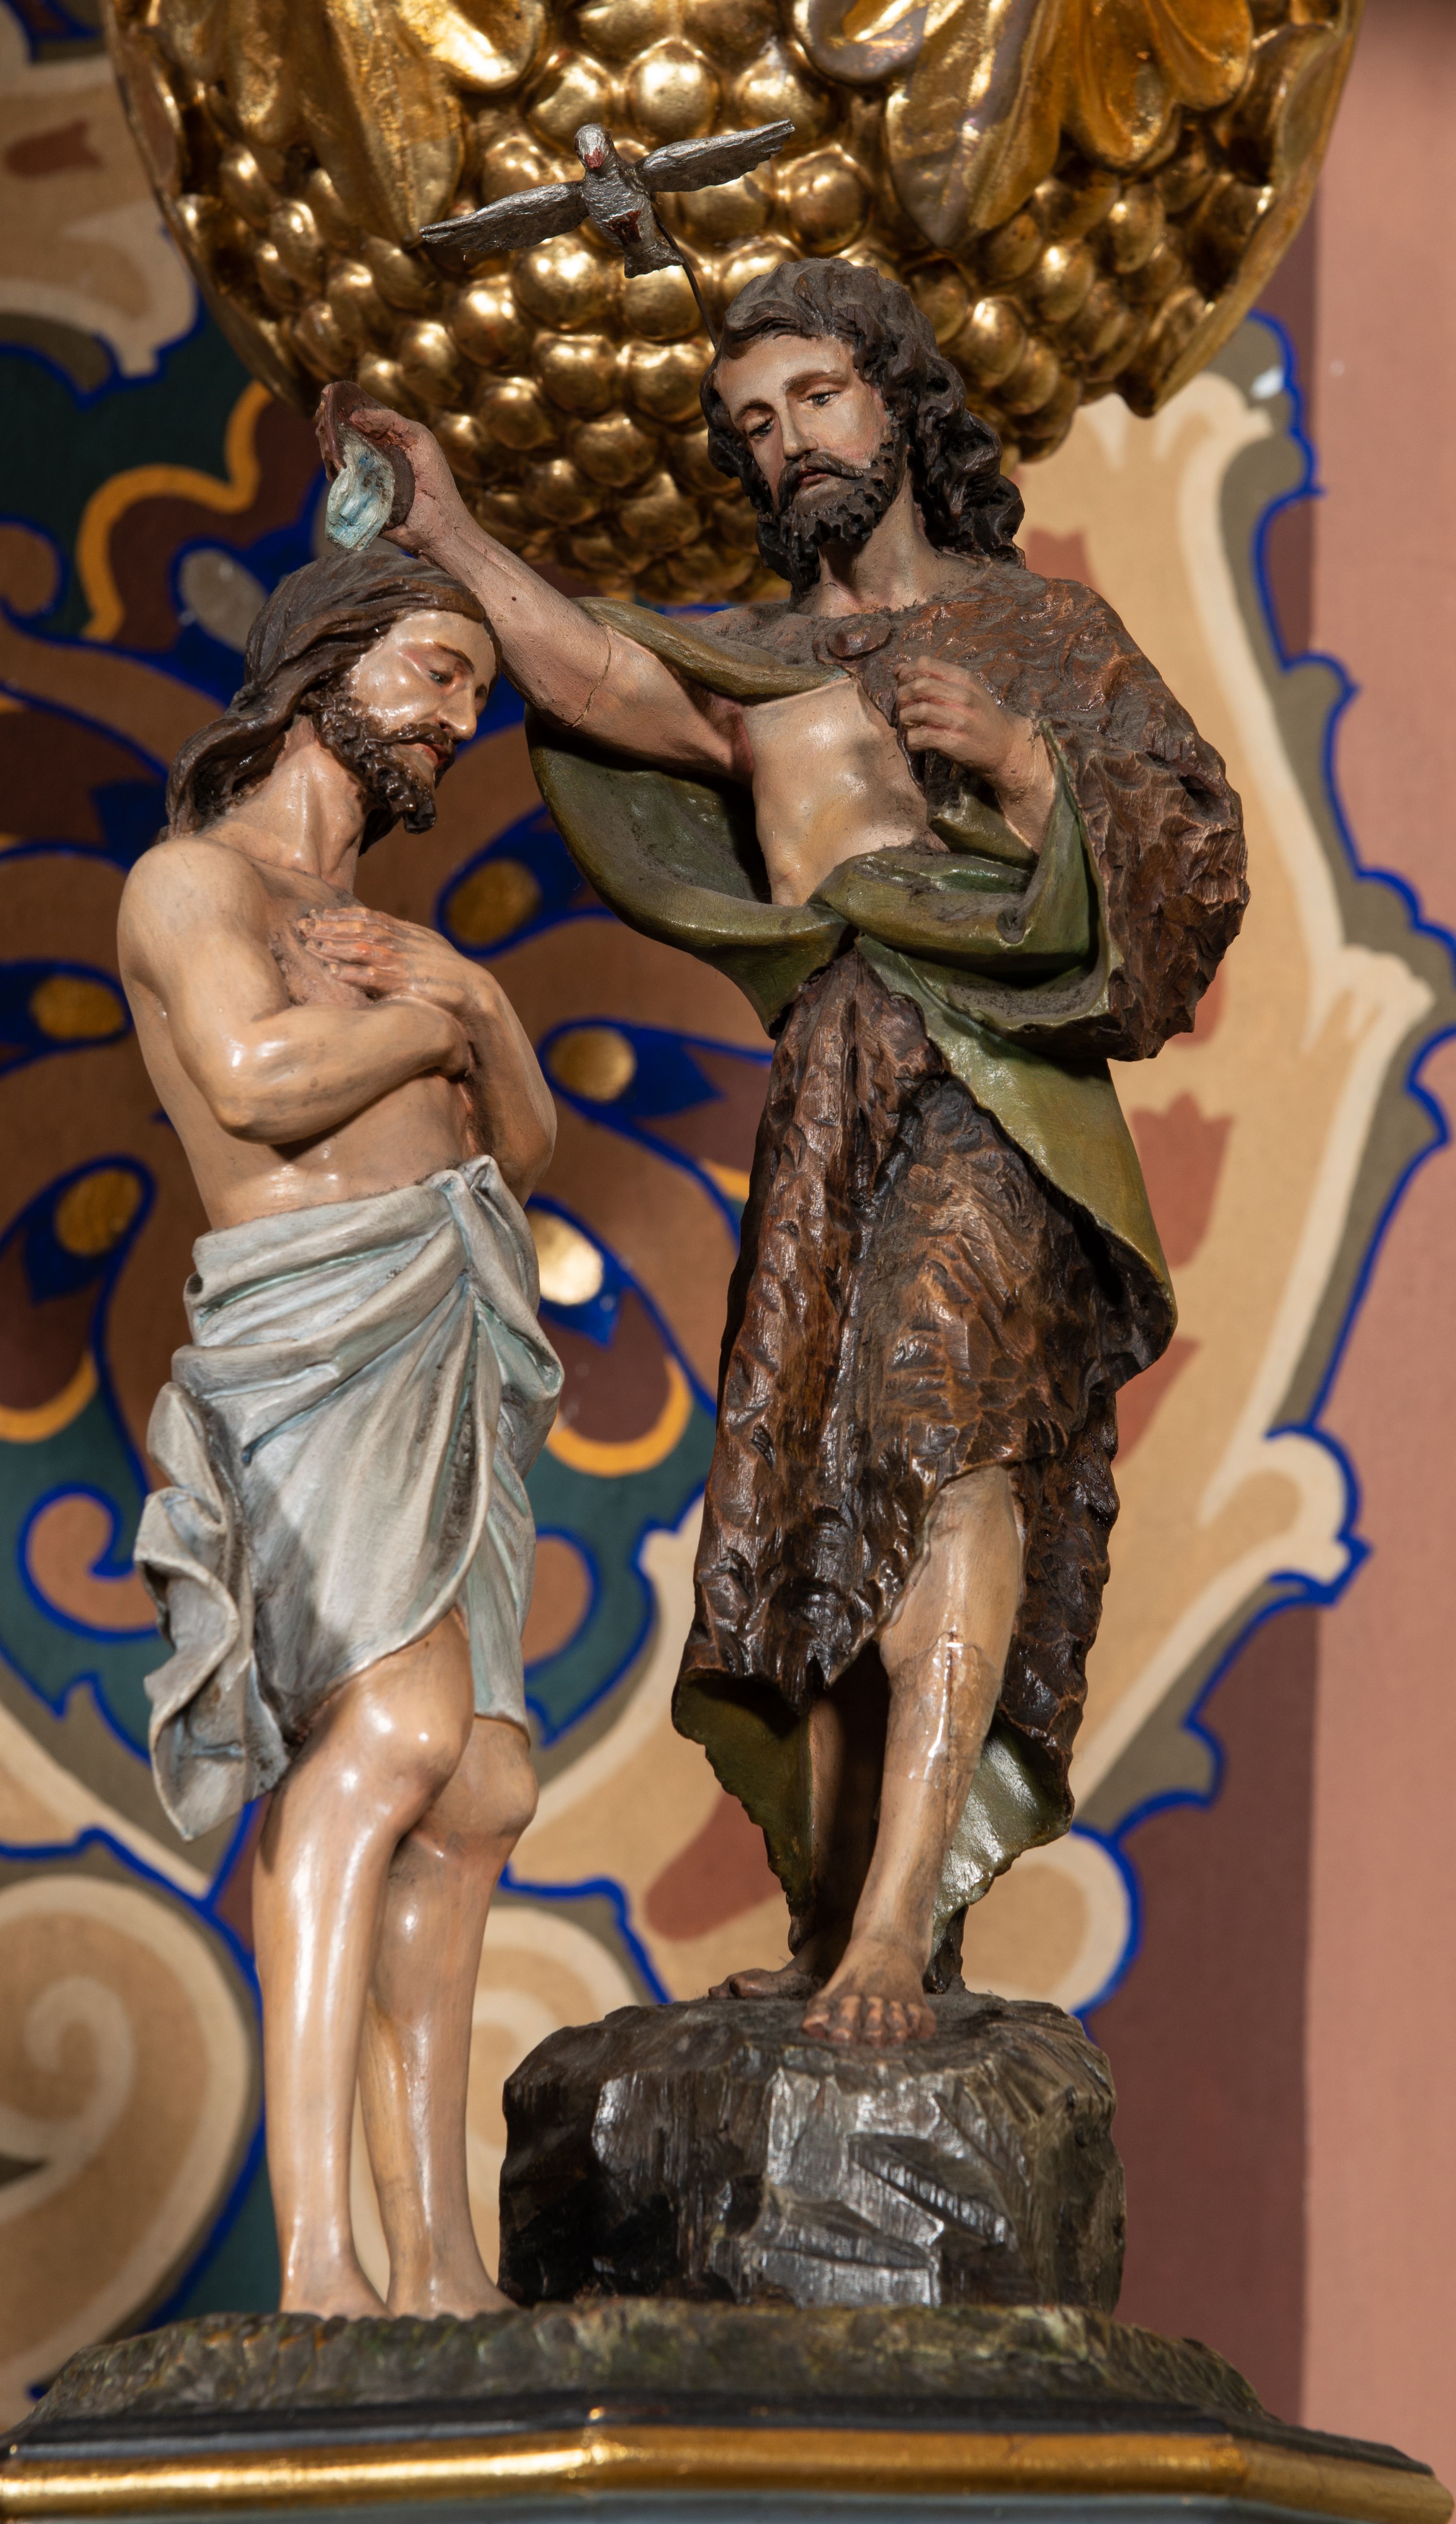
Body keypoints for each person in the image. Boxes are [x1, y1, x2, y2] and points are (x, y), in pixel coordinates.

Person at [338, 253, 1246, 2054]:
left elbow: (1194, 850)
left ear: (897, 400)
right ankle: (837, 1908)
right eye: (754, 425)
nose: (790, 444)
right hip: (834, 1080)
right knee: (824, 1476)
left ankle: (902, 1922)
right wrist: (444, 522)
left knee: (949, 1440)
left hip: (994, 1083)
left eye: (818, 397)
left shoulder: (1044, 634)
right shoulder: (757, 672)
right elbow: (592, 670)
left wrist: (1029, 768)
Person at [119, 544, 562, 2319]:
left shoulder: (402, 944)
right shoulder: (192, 883)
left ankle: (440, 2262)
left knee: (481, 1783)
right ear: (324, 666)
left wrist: (484, 1005)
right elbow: (253, 1081)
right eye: (436, 673)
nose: (457, 718)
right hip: (313, 1333)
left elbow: (521, 1146)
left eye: (475, 692)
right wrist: (431, 1015)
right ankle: (322, 2266)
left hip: (451, 1336)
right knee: (385, 1737)